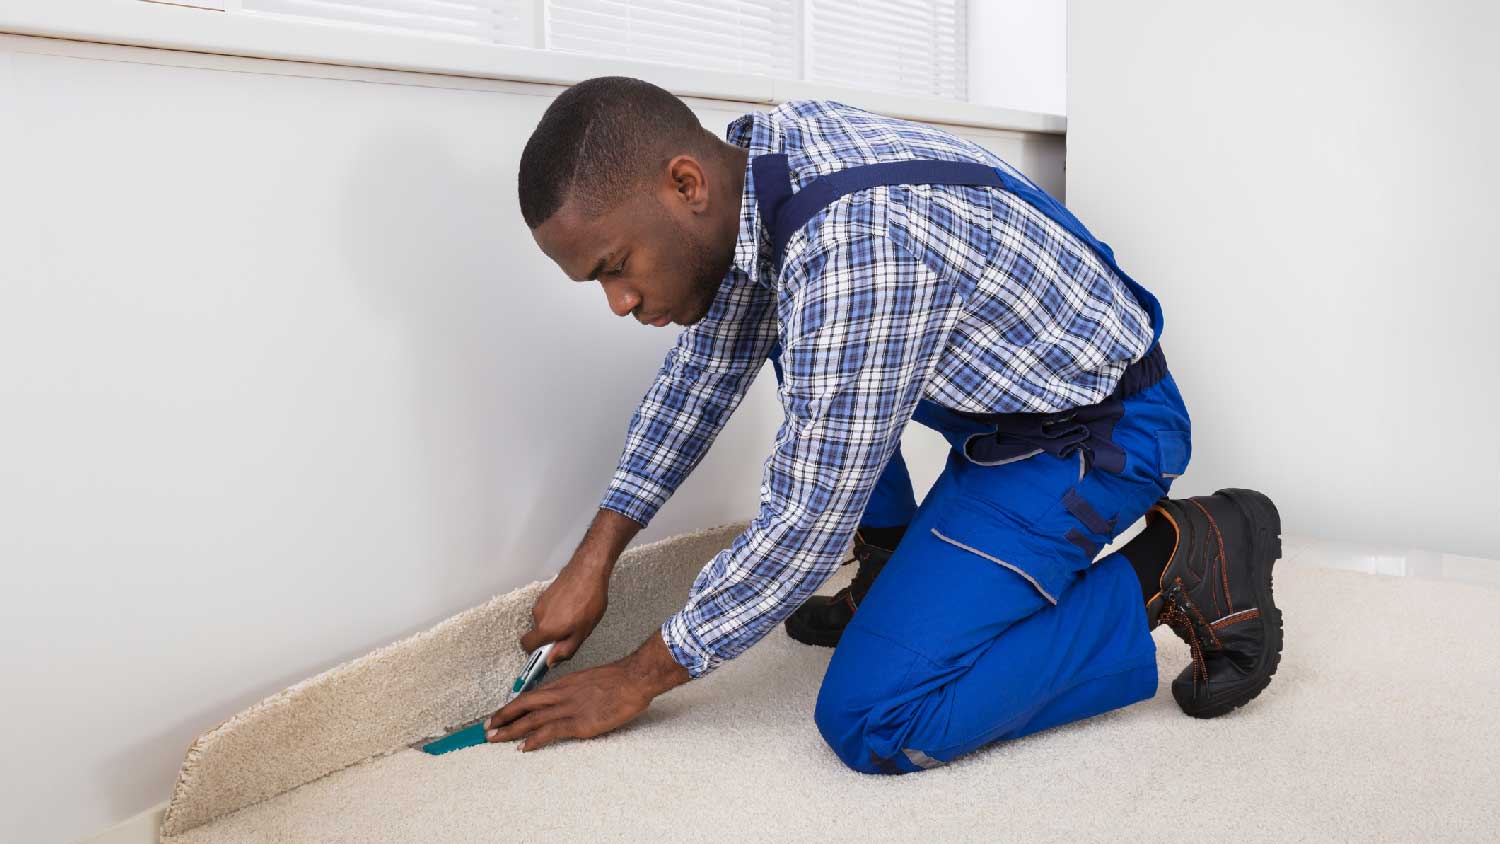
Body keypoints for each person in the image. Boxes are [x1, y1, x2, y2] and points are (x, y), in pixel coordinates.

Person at [485, 76, 1284, 773]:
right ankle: (892, 567)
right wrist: (595, 561)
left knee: (876, 717)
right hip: (1010, 406)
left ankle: (1185, 559)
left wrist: (637, 676)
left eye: (614, 267)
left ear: (685, 183)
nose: (619, 302)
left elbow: (804, 529)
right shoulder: (763, 166)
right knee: (774, 330)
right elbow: (704, 375)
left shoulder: (858, 252)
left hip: (1095, 435)